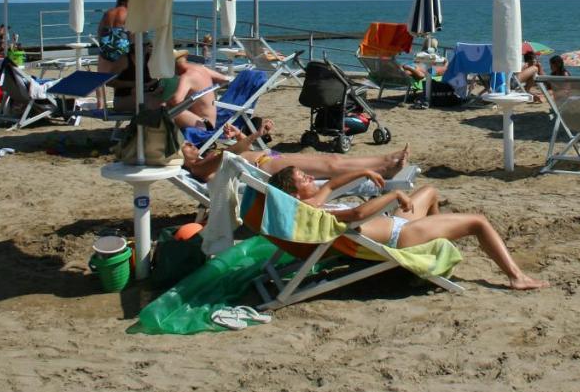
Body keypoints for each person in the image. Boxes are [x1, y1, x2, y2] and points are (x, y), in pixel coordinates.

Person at [269, 166, 549, 291]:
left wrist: (365, 172)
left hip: (399, 226)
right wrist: (392, 195)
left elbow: (330, 184)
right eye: (304, 178)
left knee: (429, 191)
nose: (310, 179)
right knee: (478, 221)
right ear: (295, 194)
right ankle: (517, 277)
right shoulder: (314, 211)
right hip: (401, 236)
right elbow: (356, 213)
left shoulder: (311, 203)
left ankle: (437, 256)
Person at [181, 121, 411, 183]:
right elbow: (229, 156)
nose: (191, 145)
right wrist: (253, 135)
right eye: (186, 147)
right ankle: (385, 167)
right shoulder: (199, 168)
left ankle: (384, 160)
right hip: (267, 167)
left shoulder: (205, 160)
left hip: (269, 158)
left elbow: (240, 154)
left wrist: (241, 136)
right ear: (184, 161)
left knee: (332, 158)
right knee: (330, 167)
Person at [165, 50, 231, 130]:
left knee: (165, 109)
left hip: (205, 124)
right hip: (212, 120)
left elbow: (176, 101)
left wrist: (163, 98)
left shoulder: (187, 77)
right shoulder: (200, 68)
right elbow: (224, 79)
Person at [96, 0, 130, 109]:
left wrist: (103, 45)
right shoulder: (127, 12)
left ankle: (100, 103)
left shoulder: (109, 12)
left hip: (107, 41)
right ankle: (121, 98)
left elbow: (99, 31)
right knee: (122, 73)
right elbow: (132, 32)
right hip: (121, 43)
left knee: (100, 77)